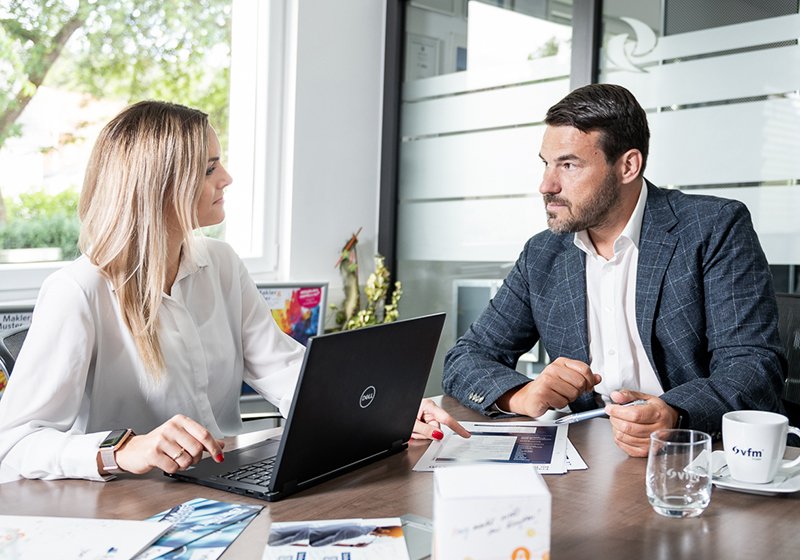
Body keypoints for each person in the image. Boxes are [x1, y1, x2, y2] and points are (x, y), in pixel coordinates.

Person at [0, 100, 467, 483]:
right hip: (130, 507)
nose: (226, 178)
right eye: (209, 168)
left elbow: (283, 370)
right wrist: (123, 449)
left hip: (223, 486)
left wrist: (387, 412)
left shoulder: (219, 264)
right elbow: (15, 444)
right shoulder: (77, 292)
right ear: (159, 186)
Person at [443, 83, 786, 457]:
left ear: (628, 166)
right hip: (588, 455)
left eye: (569, 164)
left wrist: (674, 413)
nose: (546, 185)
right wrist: (520, 394)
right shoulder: (543, 253)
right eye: (546, 163)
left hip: (698, 454)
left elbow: (753, 366)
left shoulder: (713, 227)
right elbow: (467, 357)